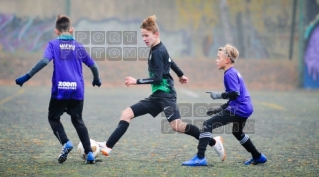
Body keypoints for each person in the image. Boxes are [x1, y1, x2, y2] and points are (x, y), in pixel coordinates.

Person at [97, 15, 226, 162]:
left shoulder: (158, 51)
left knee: (177, 126)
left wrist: (136, 81)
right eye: (142, 36)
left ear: (156, 34)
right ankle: (108, 146)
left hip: (166, 96)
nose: (144, 39)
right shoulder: (157, 47)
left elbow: (157, 78)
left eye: (147, 36)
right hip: (156, 96)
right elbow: (170, 61)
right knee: (126, 114)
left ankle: (214, 142)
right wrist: (180, 74)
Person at [15, 15, 101, 164]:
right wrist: (96, 79)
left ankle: (66, 143)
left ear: (56, 31)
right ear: (71, 30)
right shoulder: (78, 46)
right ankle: (89, 154)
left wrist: (26, 77)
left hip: (60, 89)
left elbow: (44, 61)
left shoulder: (53, 45)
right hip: (77, 89)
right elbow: (93, 65)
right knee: (77, 120)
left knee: (53, 118)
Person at [182, 44, 267, 166]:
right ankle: (258, 156)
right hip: (245, 108)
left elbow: (235, 94)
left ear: (227, 60)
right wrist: (220, 108)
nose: (216, 60)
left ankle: (200, 157)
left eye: (218, 57)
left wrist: (219, 95)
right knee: (237, 132)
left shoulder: (229, 74)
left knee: (208, 124)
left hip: (238, 109)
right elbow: (235, 97)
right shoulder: (233, 72)